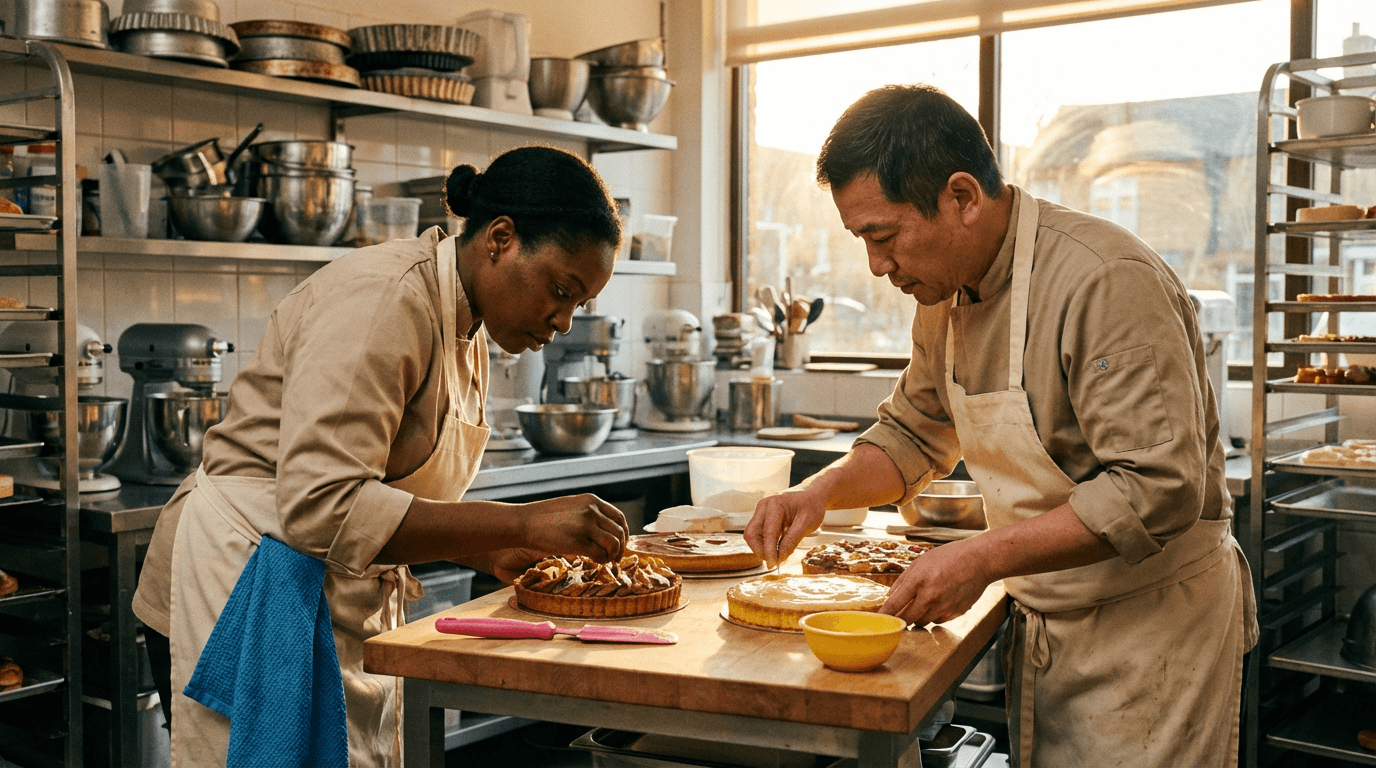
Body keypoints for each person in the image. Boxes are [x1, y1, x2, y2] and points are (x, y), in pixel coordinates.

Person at [744, 85, 1258, 767]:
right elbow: (914, 432)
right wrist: (819, 493)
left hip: (1151, 632)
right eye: (862, 241)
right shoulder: (945, 287)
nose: (876, 266)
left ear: (961, 196)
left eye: (885, 236)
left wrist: (982, 557)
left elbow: (1156, 488)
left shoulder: (1104, 279)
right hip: (1051, 617)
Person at [131, 145, 631, 767]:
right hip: (239, 579)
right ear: (500, 239)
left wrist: (485, 546)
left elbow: (382, 491)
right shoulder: (385, 298)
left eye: (578, 305)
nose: (562, 321)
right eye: (560, 289)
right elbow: (323, 503)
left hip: (323, 577)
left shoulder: (467, 323)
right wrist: (522, 522)